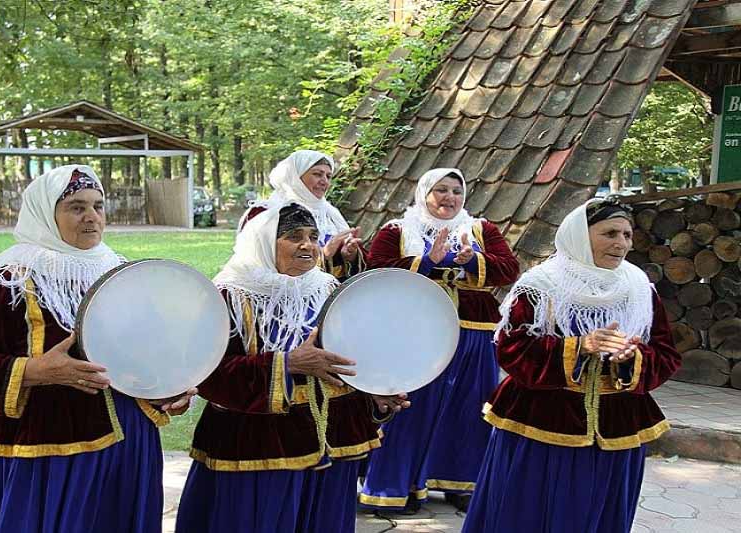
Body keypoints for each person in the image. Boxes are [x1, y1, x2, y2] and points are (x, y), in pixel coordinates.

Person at [0, 165, 193, 533]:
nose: (92, 217)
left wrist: (171, 386)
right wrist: (35, 371)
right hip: (47, 451)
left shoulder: (122, 273)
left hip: (129, 441)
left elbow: (149, 348)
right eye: (76, 207)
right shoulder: (11, 280)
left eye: (98, 206)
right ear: (46, 213)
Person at [175, 203, 409, 533]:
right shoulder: (228, 296)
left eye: (313, 237)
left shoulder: (330, 290)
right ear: (264, 242)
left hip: (333, 442)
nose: (308, 245)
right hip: (259, 448)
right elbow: (207, 374)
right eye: (293, 237)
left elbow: (348, 360)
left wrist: (374, 393)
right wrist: (286, 364)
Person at [462, 198, 682, 533]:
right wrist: (580, 347)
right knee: (529, 512)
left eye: (626, 234)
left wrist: (631, 360)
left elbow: (665, 353)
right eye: (610, 233)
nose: (621, 243)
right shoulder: (541, 285)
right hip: (542, 423)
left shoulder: (638, 288)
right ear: (579, 235)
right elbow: (512, 349)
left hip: (617, 425)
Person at [359, 168, 519, 513]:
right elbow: (377, 269)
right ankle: (396, 486)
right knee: (412, 407)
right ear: (424, 193)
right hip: (416, 332)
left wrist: (473, 259)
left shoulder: (480, 230)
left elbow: (509, 268)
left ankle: (459, 483)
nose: (449, 198)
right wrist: (426, 261)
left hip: (473, 331)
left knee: (468, 407)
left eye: (456, 191)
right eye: (441, 190)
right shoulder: (397, 230)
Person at [239, 150, 363, 280]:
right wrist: (323, 255)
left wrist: (348, 255)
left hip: (328, 294)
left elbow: (343, 269)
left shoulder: (331, 215)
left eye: (328, 176)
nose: (324, 181)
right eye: (317, 174)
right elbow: (256, 262)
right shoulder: (266, 213)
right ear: (295, 177)